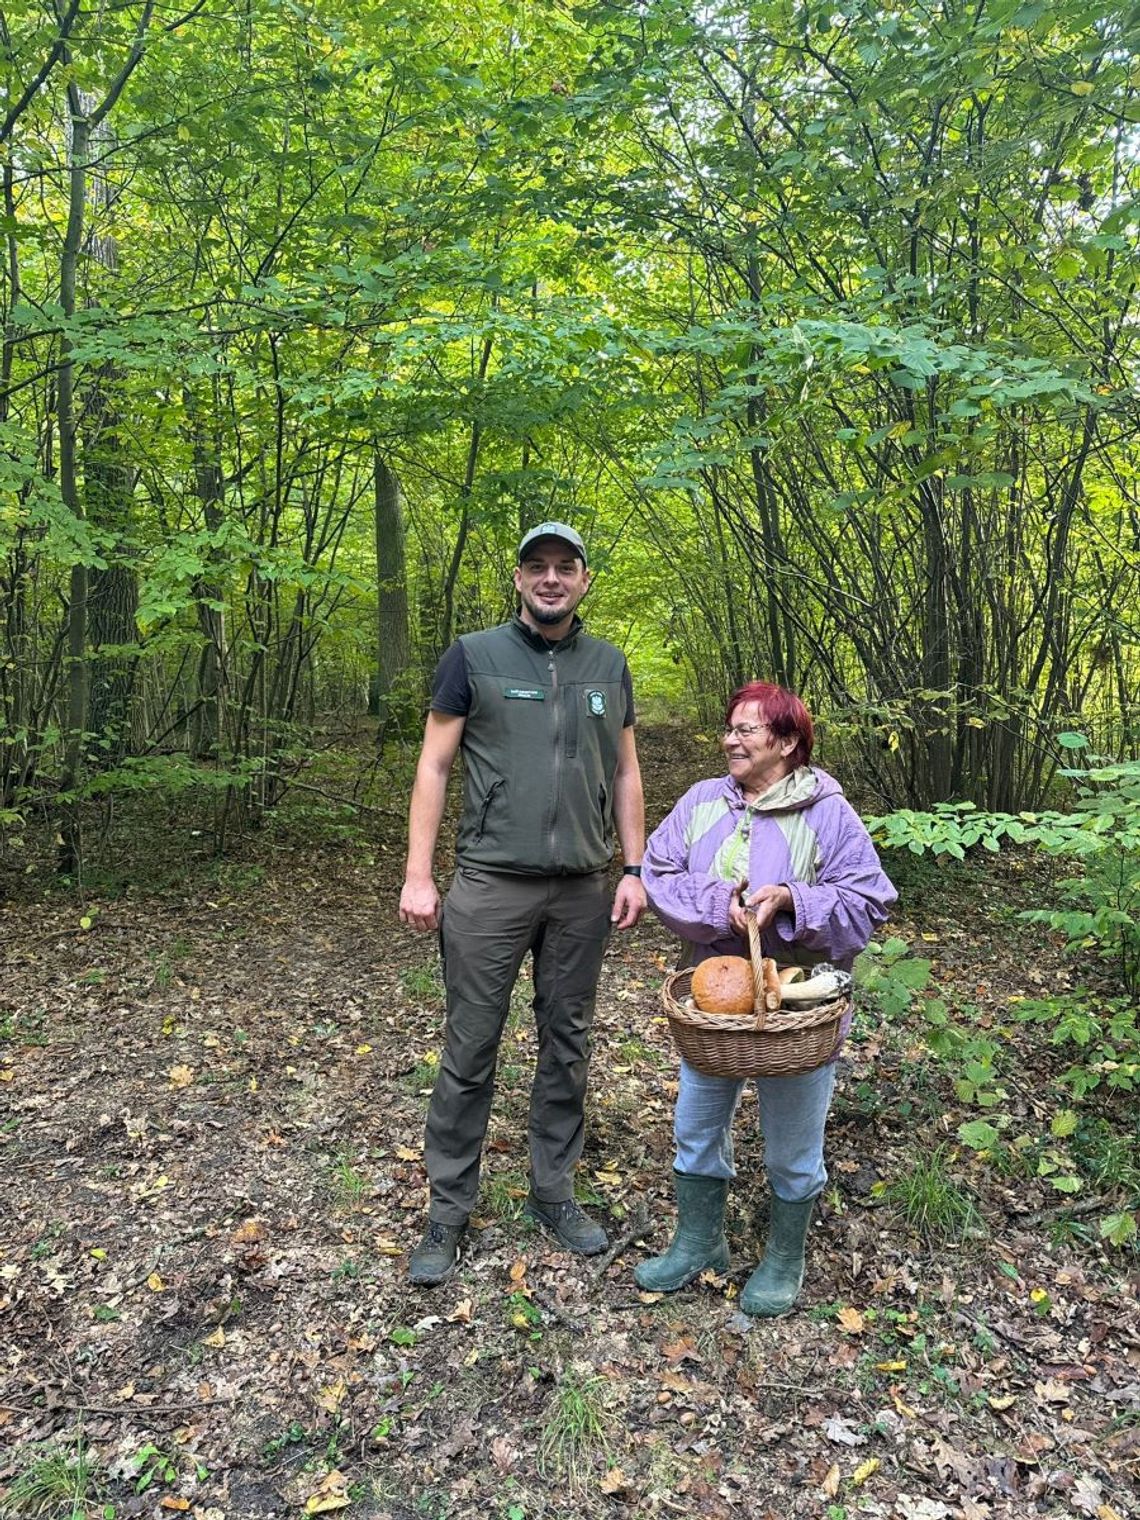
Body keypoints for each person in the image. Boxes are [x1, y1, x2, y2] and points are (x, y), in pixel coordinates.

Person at [399, 521, 647, 1286]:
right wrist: (419, 873)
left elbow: (629, 773)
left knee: (566, 1043)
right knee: (471, 1046)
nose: (550, 578)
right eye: (536, 566)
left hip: (581, 888)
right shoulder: (474, 657)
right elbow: (435, 766)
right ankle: (448, 1210)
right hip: (490, 886)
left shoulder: (609, 664)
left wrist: (634, 867)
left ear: (584, 579)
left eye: (564, 567)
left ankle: (554, 1192)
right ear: (517, 579)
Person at [635, 681, 896, 1315]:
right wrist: (717, 904)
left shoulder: (828, 812)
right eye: (730, 727)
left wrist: (791, 901)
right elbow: (658, 870)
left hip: (798, 1009)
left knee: (792, 1145)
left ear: (786, 743)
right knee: (695, 1128)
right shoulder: (703, 802)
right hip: (713, 1001)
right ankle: (699, 1242)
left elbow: (869, 901)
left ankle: (785, 1257)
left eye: (747, 730)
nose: (731, 738)